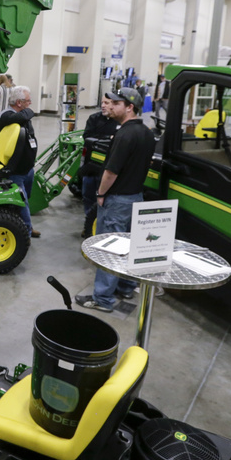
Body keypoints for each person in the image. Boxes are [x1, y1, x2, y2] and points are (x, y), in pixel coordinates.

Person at [76, 87, 155, 312]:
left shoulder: (124, 134)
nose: (109, 106)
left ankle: (102, 299)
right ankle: (126, 285)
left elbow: (111, 172)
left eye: (116, 103)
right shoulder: (147, 133)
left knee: (108, 250)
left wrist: (100, 194)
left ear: (129, 107)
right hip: (136, 198)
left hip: (117, 200)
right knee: (128, 245)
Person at [0, 85, 40, 238]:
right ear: (19, 102)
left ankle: (24, 226)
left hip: (27, 168)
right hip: (15, 170)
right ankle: (26, 234)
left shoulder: (23, 114)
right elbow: (22, 116)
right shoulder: (7, 115)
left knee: (25, 199)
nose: (30, 104)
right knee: (22, 202)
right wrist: (28, 112)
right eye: (28, 101)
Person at [78, 96, 119, 238]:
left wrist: (100, 139)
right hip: (91, 166)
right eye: (102, 102)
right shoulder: (93, 119)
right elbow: (87, 137)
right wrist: (108, 139)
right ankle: (89, 222)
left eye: (106, 103)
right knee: (88, 195)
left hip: (107, 169)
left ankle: (100, 225)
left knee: (104, 198)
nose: (103, 105)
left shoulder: (118, 122)